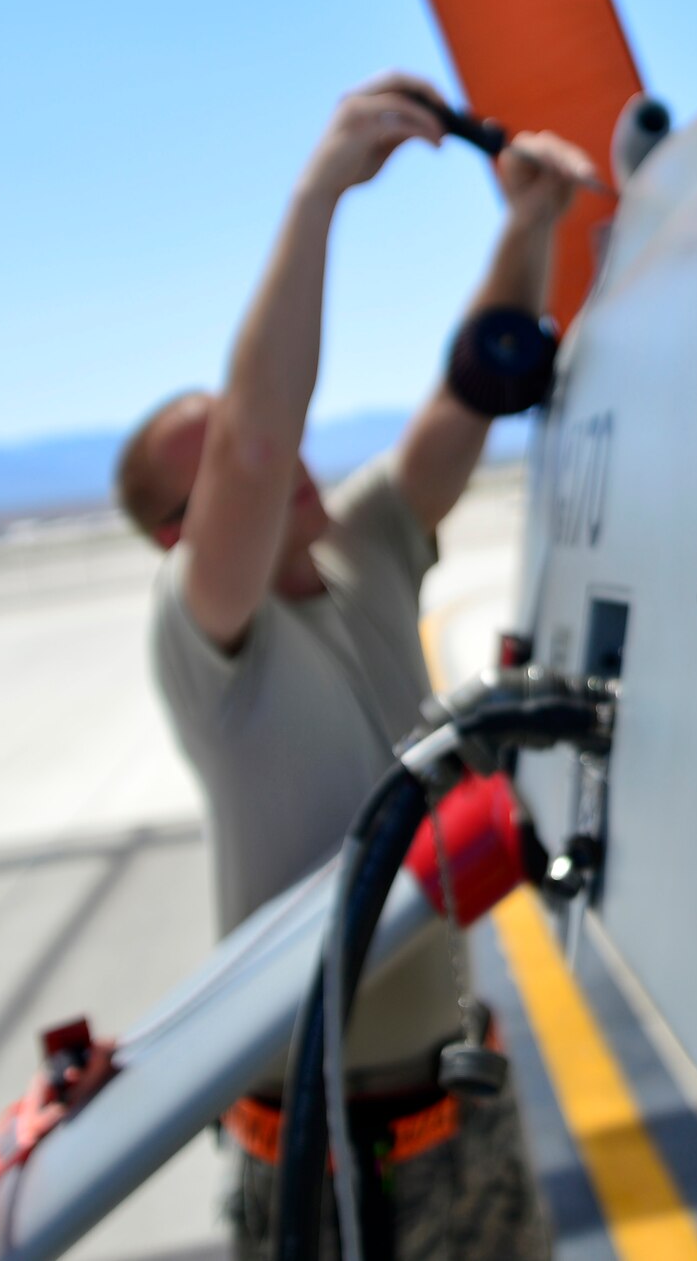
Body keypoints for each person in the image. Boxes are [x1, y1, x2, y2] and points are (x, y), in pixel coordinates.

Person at [115, 71, 596, 1261]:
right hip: (322, 1162)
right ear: (184, 536)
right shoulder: (211, 648)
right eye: (235, 462)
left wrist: (527, 224)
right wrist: (322, 190)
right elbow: (254, 433)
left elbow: (467, 395)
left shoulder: (361, 547)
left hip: (460, 1115)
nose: (283, 458)